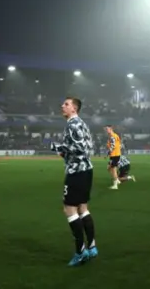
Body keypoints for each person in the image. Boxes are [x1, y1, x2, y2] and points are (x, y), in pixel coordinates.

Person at [50, 97, 97, 266]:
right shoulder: (82, 124)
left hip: (76, 172)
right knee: (82, 208)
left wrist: (58, 147)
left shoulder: (72, 124)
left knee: (69, 209)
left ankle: (80, 251)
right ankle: (91, 247)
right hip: (86, 169)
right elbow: (89, 147)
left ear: (74, 109)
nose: (62, 106)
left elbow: (79, 148)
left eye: (66, 104)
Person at [104, 125, 122, 190]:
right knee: (109, 168)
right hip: (115, 155)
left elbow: (113, 146)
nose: (106, 130)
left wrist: (107, 154)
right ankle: (117, 180)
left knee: (113, 169)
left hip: (115, 155)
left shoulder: (112, 136)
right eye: (105, 129)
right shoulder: (115, 135)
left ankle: (115, 185)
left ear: (111, 129)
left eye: (107, 129)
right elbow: (120, 145)